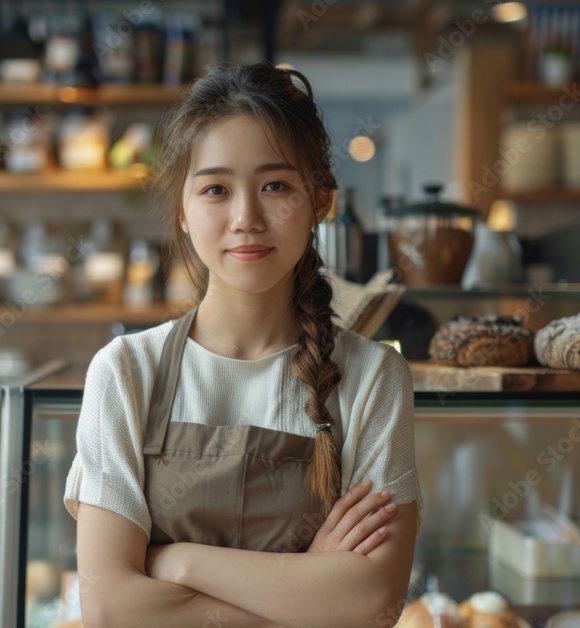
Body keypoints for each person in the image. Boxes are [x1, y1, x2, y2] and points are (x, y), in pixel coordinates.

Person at [64, 63, 422, 627]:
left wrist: (178, 563)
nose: (246, 218)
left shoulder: (375, 377)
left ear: (320, 199)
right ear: (182, 209)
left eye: (275, 185)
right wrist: (310, 596)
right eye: (215, 189)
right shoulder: (127, 372)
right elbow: (110, 609)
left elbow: (372, 603)